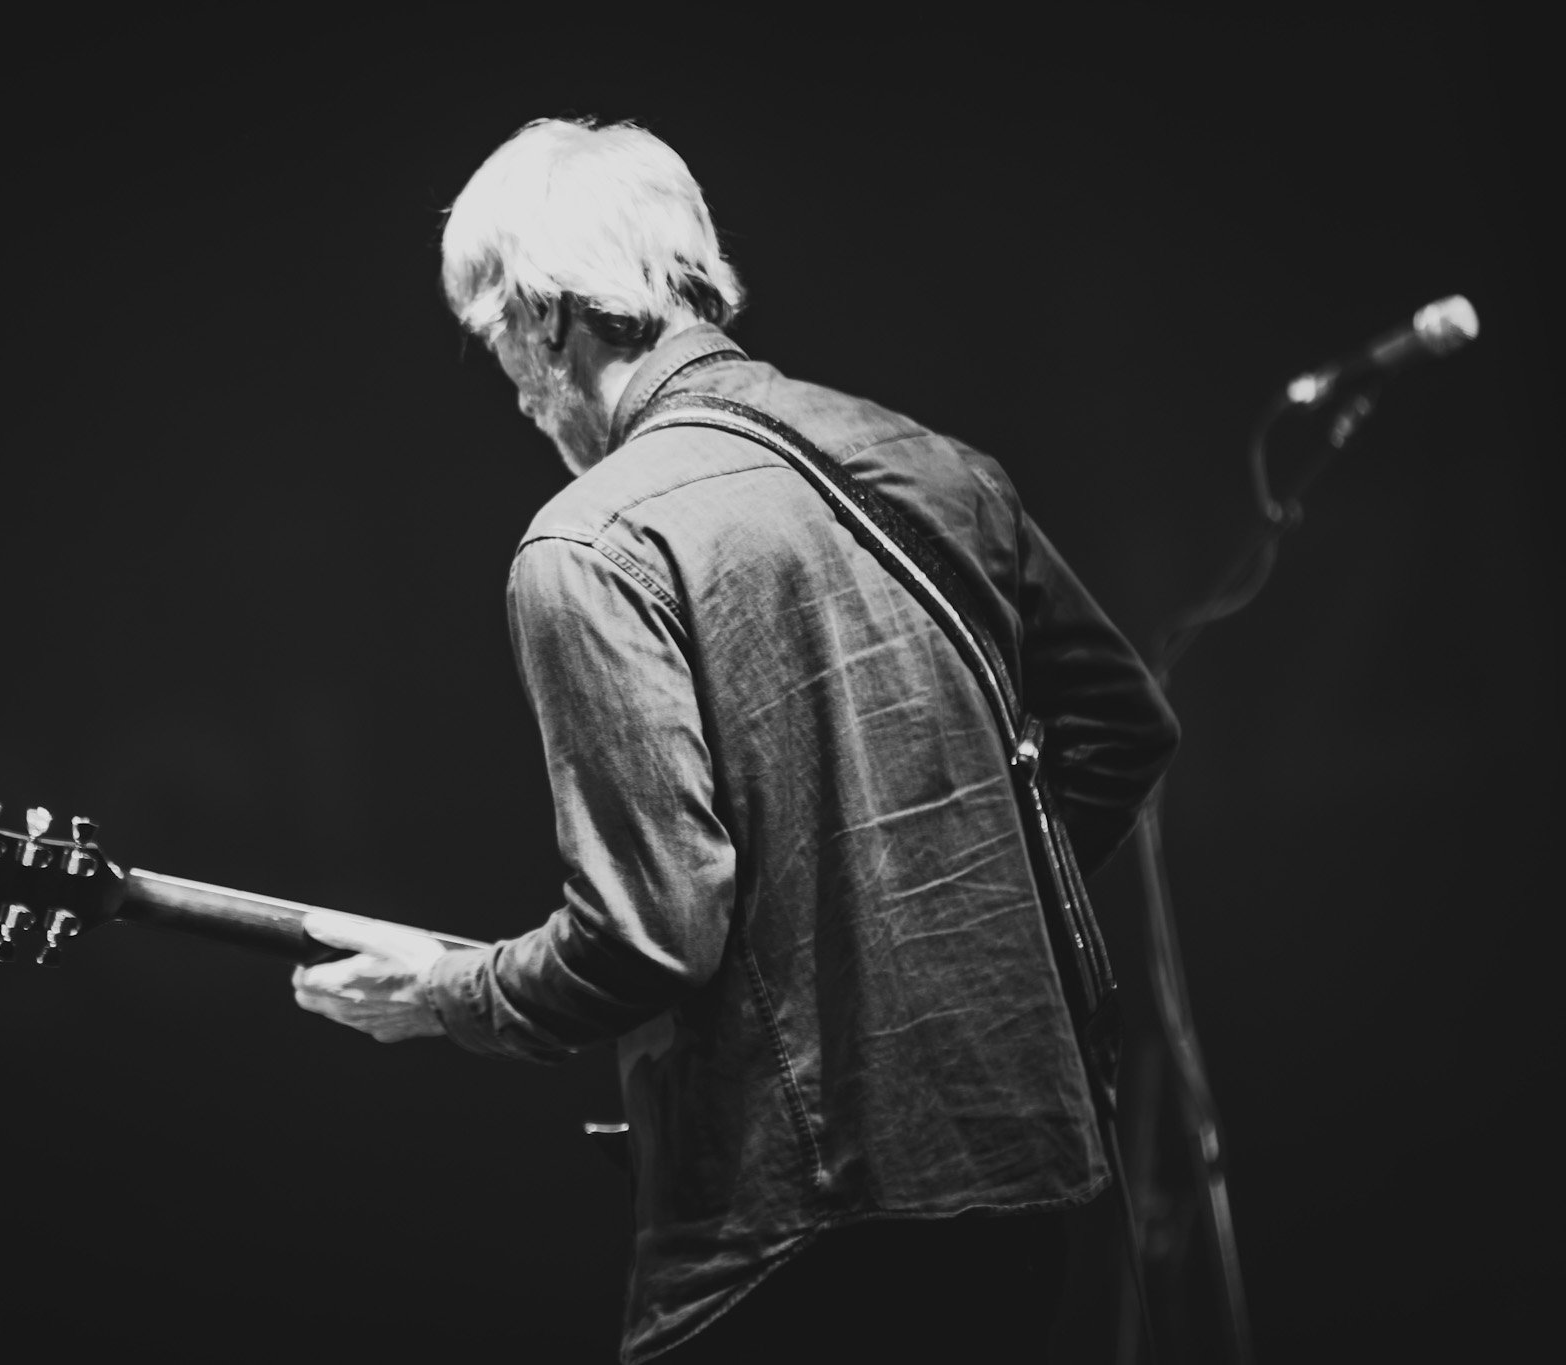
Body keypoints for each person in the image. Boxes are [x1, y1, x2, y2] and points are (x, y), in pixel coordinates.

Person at [291, 117, 1178, 1363]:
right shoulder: (936, 465)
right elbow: (1121, 725)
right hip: (1022, 1178)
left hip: (790, 1233)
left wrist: (446, 994)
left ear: (548, 319)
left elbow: (647, 935)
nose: (515, 393)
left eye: (498, 346)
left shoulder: (588, 544)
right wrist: (942, 920)